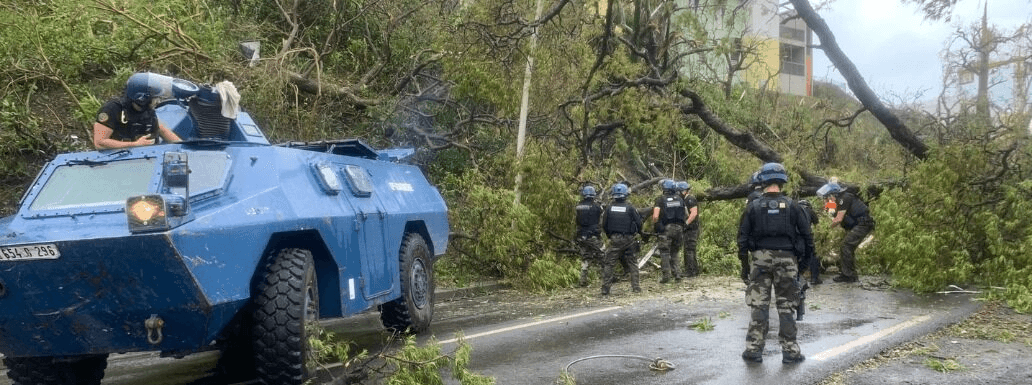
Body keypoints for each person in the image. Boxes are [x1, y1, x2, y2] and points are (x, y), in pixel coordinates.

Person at [737, 163, 813, 364]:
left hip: (760, 259)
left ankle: (754, 350)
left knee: (759, 305)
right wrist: (802, 266)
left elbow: (742, 240)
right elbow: (807, 237)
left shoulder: (752, 207)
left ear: (762, 181)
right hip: (787, 260)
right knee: (787, 306)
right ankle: (791, 352)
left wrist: (745, 267)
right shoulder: (794, 206)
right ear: (782, 181)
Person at [93, 78, 181, 149]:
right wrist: (134, 144)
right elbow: (100, 143)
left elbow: (162, 129)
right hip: (117, 162)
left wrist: (182, 146)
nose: (157, 101)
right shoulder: (113, 108)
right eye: (154, 98)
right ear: (142, 98)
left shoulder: (147, 110)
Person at [817, 182, 875, 283]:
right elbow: (828, 209)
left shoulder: (845, 198)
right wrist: (826, 205)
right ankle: (850, 274)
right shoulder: (839, 201)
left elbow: (838, 219)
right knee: (848, 247)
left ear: (833, 195)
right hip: (857, 224)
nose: (826, 200)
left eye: (827, 198)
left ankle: (848, 275)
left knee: (846, 245)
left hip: (863, 224)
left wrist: (825, 228)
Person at [601, 183, 644, 295]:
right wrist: (637, 233)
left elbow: (604, 225)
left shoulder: (609, 208)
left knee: (609, 264)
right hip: (629, 239)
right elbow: (639, 223)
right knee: (632, 263)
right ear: (625, 194)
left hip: (615, 239)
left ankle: (605, 289)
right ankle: (636, 287)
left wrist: (610, 236)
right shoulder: (630, 208)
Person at [651, 179, 685, 283]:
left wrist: (656, 225)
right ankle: (677, 274)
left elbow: (655, 216)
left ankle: (666, 276)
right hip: (679, 229)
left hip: (666, 229)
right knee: (675, 252)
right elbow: (686, 214)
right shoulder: (680, 199)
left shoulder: (660, 199)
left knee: (665, 253)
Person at [574, 185, 605, 287]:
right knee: (603, 254)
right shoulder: (597, 207)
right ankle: (608, 277)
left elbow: (577, 220)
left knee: (585, 257)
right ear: (593, 195)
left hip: (581, 236)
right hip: (593, 236)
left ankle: (583, 280)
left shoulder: (578, 206)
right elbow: (600, 218)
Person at [678, 180, 701, 278]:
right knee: (689, 249)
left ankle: (690, 271)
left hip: (692, 228)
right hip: (689, 228)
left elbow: (694, 213)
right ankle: (694, 270)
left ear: (683, 191)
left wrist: (686, 224)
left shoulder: (690, 199)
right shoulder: (685, 199)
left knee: (689, 249)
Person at [797, 198, 822, 284]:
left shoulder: (793, 210)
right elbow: (816, 223)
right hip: (806, 235)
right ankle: (814, 278)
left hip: (794, 237)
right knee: (812, 255)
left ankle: (796, 277)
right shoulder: (810, 211)